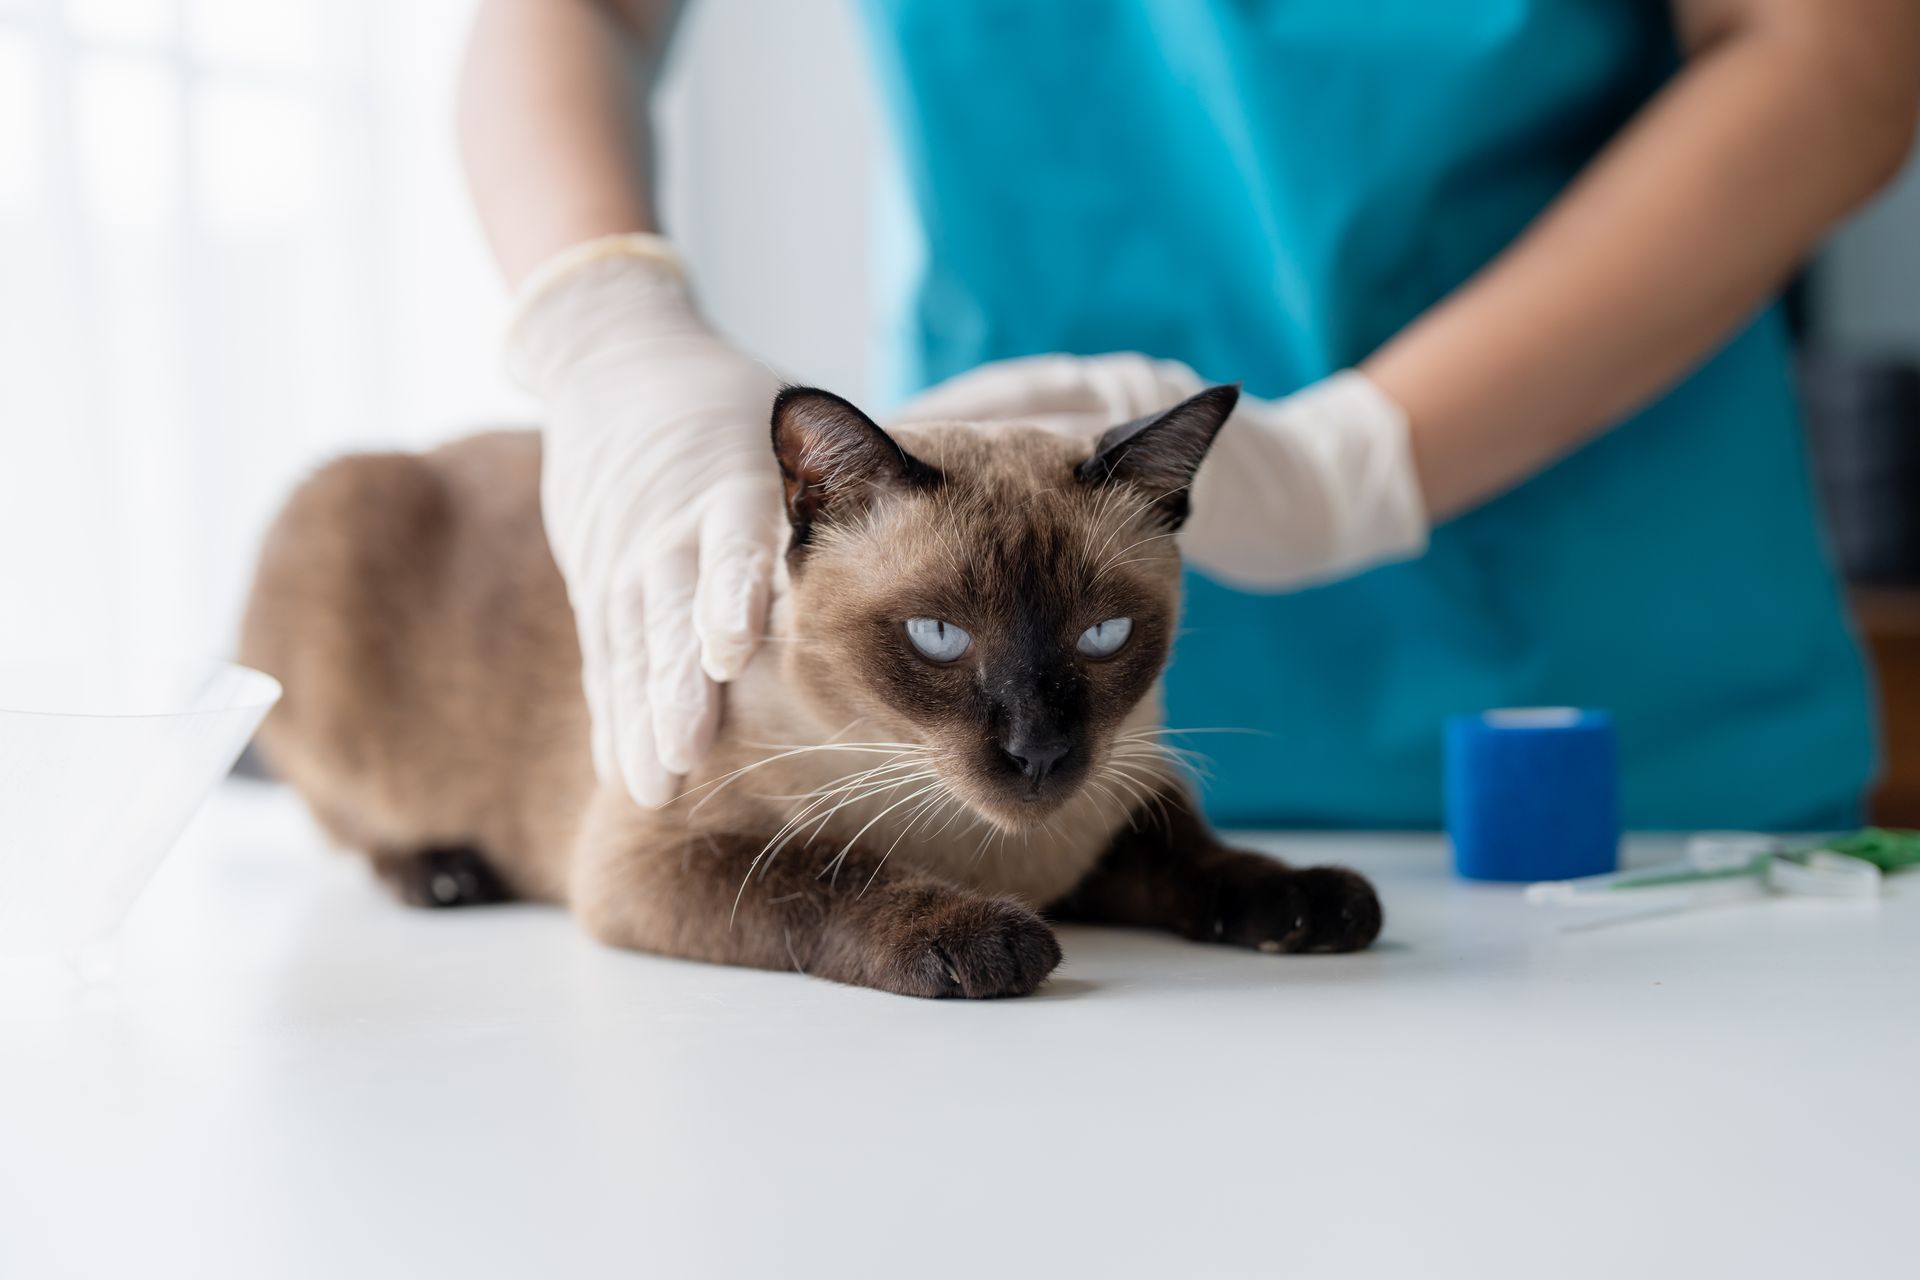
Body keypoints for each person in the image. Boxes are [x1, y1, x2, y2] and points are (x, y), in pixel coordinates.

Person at [461, 0, 1919, 831]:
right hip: (972, 776)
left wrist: (1363, 463)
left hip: (1597, 720)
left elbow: (1835, 50)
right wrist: (603, 317)